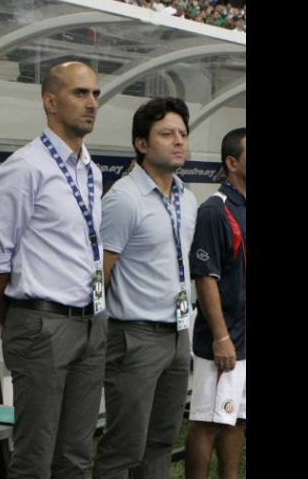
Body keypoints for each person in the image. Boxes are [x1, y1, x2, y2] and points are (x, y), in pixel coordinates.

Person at [0, 61, 108, 479]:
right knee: (35, 456)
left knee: (75, 454)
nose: (91, 103)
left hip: (90, 322)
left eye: (95, 94)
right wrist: (17, 319)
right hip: (42, 322)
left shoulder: (91, 170)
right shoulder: (25, 168)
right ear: (50, 102)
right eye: (80, 93)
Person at [93, 97, 198, 479]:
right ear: (141, 144)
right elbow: (99, 276)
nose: (178, 142)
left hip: (176, 332)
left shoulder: (186, 199)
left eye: (183, 134)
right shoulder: (123, 199)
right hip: (134, 335)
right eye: (166, 134)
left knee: (161, 441)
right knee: (125, 445)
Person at [184, 128, 246, 479]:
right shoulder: (215, 210)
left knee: (236, 417)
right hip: (222, 340)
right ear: (232, 162)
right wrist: (221, 337)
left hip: (246, 339)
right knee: (208, 423)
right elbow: (205, 276)